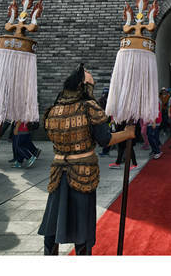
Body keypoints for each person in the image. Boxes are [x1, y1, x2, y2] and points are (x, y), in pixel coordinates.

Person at [33, 64, 135, 255]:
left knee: (53, 221)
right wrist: (127, 133)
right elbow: (105, 140)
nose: (93, 88)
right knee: (82, 224)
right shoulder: (90, 107)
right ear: (83, 86)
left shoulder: (53, 109)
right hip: (82, 172)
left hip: (58, 171)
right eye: (91, 84)